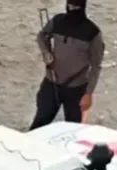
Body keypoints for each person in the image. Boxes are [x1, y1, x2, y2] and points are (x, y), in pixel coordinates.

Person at [29, 0, 105, 130]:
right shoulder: (57, 21)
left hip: (76, 89)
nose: (72, 9)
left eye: (75, 6)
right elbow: (42, 36)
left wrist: (88, 94)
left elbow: (96, 66)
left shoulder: (93, 33)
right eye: (70, 6)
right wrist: (46, 52)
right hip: (51, 82)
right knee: (39, 124)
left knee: (73, 129)